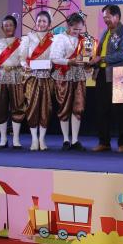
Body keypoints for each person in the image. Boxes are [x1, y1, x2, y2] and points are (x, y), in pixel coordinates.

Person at [90, 4, 123, 153]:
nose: (105, 20)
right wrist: (93, 61)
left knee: (121, 111)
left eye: (108, 17)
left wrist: (102, 58)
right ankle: (104, 142)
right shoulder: (104, 32)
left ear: (117, 16)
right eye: (104, 17)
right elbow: (99, 52)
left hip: (118, 75)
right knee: (102, 110)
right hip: (102, 74)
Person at [51, 13, 88, 151]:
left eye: (80, 29)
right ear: (68, 26)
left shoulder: (84, 40)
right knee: (64, 106)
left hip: (79, 75)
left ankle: (75, 140)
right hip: (63, 75)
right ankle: (66, 140)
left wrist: (88, 61)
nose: (77, 32)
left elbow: (87, 56)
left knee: (78, 107)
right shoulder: (59, 38)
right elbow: (54, 58)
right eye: (74, 29)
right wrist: (69, 61)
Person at [0, 15, 25, 148]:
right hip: (0, 77)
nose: (8, 27)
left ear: (15, 27)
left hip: (16, 76)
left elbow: (23, 59)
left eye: (10, 25)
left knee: (17, 106)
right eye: (6, 25)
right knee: (0, 107)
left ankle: (16, 139)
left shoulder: (21, 42)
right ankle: (3, 139)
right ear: (2, 28)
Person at [20, 10, 54, 151]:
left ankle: (42, 139)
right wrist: (25, 65)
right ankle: (34, 139)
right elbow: (22, 57)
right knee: (32, 107)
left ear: (49, 24)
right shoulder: (28, 38)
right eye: (39, 20)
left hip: (47, 78)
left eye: (44, 21)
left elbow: (55, 57)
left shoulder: (54, 39)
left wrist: (51, 64)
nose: (41, 23)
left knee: (45, 108)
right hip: (32, 78)